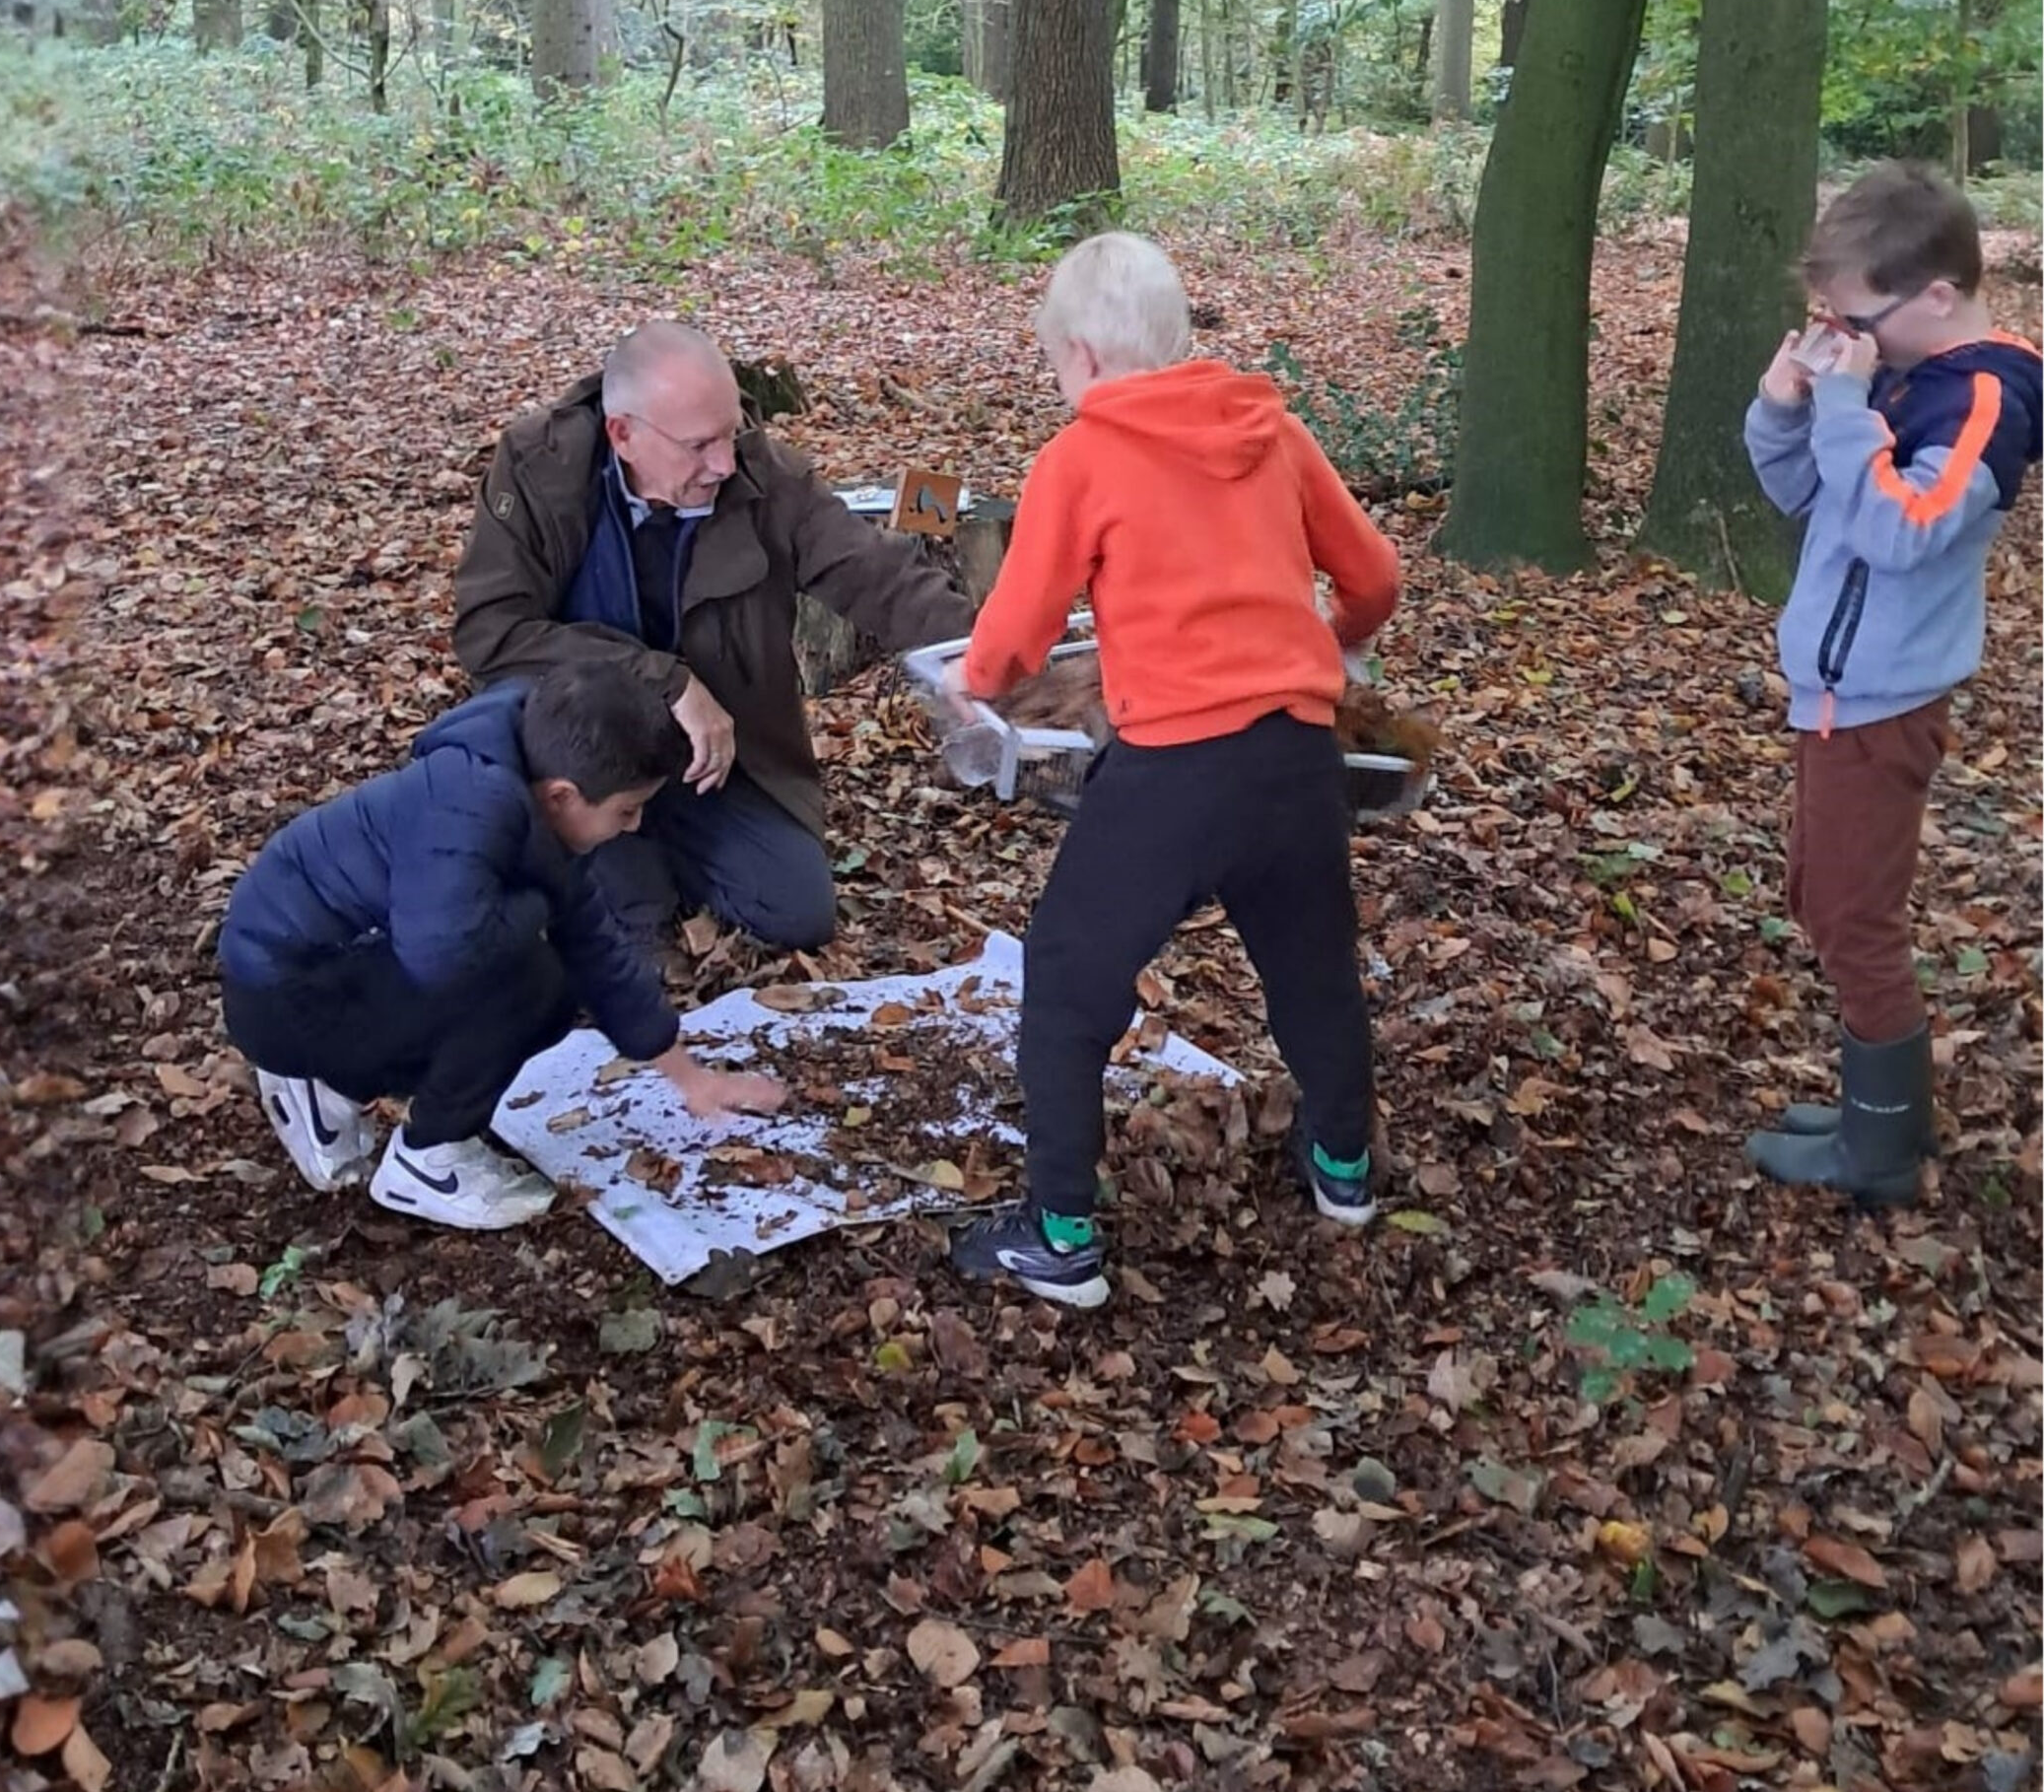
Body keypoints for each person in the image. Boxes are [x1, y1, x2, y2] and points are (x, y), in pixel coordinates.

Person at [939, 233, 1402, 1310]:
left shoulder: (1082, 456)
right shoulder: (1272, 431)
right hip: (1293, 759)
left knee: (1064, 980)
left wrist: (977, 679)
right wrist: (1338, 640)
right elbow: (1374, 572)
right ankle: (1342, 1167)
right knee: (1311, 970)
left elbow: (1020, 623)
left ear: (1087, 359)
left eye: (1057, 363)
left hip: (1172, 771)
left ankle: (1059, 1235)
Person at [452, 321, 976, 953]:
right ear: (624, 435)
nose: (724, 464)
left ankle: (650, 839)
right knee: (624, 925)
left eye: (729, 434)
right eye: (699, 446)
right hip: (578, 754)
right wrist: (664, 679)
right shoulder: (541, 471)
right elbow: (491, 633)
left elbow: (874, 573)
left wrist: (979, 650)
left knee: (796, 913)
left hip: (717, 764)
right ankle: (616, 855)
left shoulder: (761, 475)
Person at [218, 661, 785, 1230]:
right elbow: (443, 957)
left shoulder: (528, 777)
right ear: (563, 795)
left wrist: (692, 1080)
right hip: (284, 988)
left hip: (315, 966)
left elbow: (593, 943)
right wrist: (540, 904)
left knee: (551, 965)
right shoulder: (469, 805)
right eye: (626, 810)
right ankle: (428, 1160)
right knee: (532, 984)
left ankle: (329, 1090)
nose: (634, 827)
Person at [1741, 162, 2040, 1207]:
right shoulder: (1895, 372)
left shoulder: (1988, 398)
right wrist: (1788, 407)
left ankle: (1879, 1151)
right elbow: (1802, 495)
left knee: (1852, 918)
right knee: (1821, 899)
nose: (1841, 334)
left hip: (1883, 703)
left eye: (1853, 314)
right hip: (1833, 691)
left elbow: (1899, 530)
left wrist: (1842, 400)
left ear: (1937, 296)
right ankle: (1879, 1110)